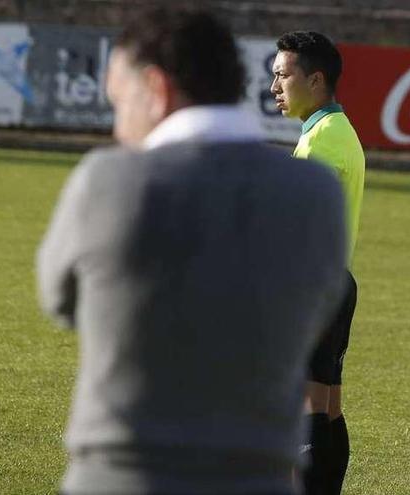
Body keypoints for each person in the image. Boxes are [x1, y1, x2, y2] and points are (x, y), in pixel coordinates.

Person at [36, 8, 347, 495]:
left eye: (120, 102)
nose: (120, 126)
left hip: (125, 475)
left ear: (156, 90)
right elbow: (322, 301)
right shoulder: (315, 193)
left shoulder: (109, 180)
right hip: (258, 475)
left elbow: (61, 301)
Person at [270, 31, 365, 495]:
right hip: (334, 280)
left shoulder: (323, 140)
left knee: (303, 407)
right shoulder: (335, 129)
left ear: (316, 79)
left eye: (283, 75)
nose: (275, 87)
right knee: (326, 405)